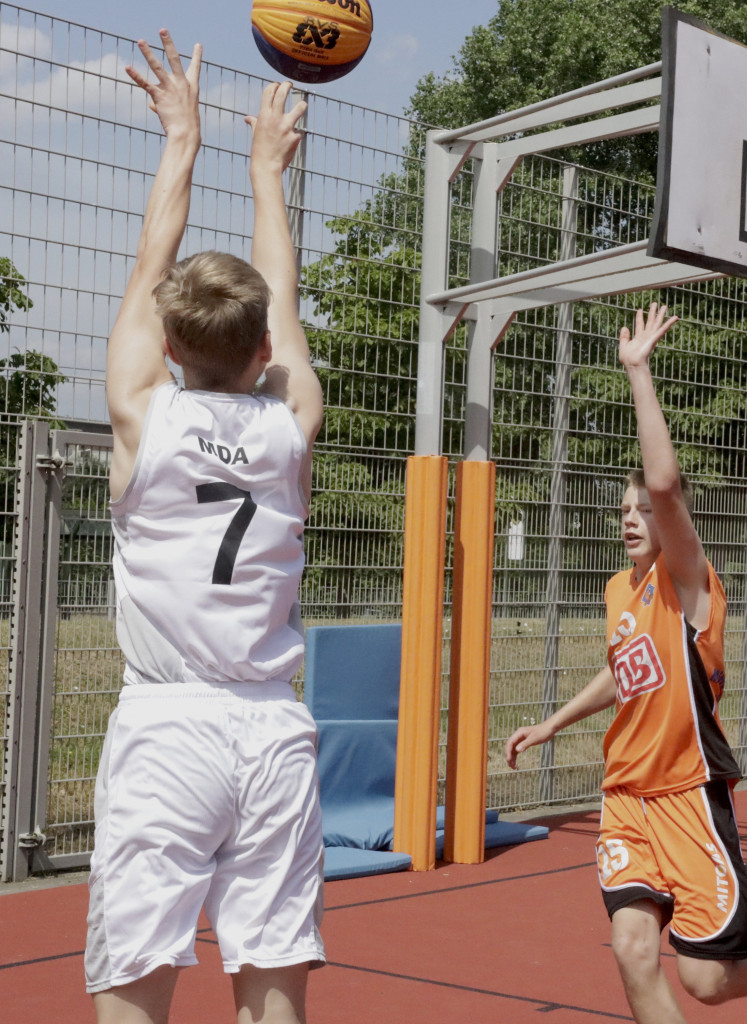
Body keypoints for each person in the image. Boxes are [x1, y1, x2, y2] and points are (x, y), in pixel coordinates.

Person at [84, 30, 326, 1024]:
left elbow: (154, 266)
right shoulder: (291, 423)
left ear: (172, 344)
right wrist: (269, 171)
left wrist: (179, 137)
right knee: (273, 992)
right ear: (264, 346)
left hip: (170, 726)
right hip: (272, 729)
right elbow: (286, 297)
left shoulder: (146, 409)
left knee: (136, 987)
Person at [505, 303, 747, 1024]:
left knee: (705, 983)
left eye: (642, 508)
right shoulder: (618, 591)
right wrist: (552, 723)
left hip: (687, 796)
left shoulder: (693, 588)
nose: (631, 515)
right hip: (626, 798)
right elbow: (626, 673)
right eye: (623, 509)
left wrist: (637, 373)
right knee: (631, 951)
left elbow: (667, 486)